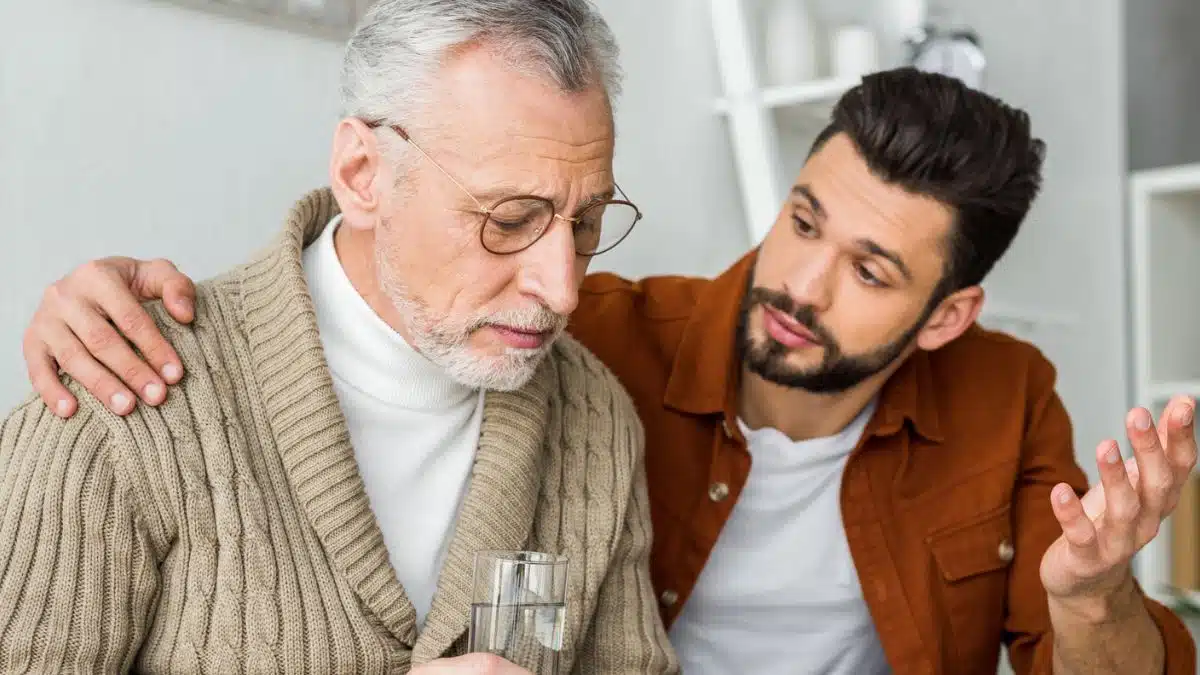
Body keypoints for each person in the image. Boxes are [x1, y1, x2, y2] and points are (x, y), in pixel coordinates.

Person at [17, 66, 1198, 673]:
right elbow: (383, 292)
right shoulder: (585, 342)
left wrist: (1093, 594)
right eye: (801, 220)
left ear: (949, 317)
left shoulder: (1006, 395)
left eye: (873, 271)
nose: (800, 282)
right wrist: (115, 297)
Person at [0, 1, 681, 673]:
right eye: (508, 220)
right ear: (363, 174)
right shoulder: (120, 397)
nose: (563, 289)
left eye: (586, 223)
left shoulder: (595, 417)